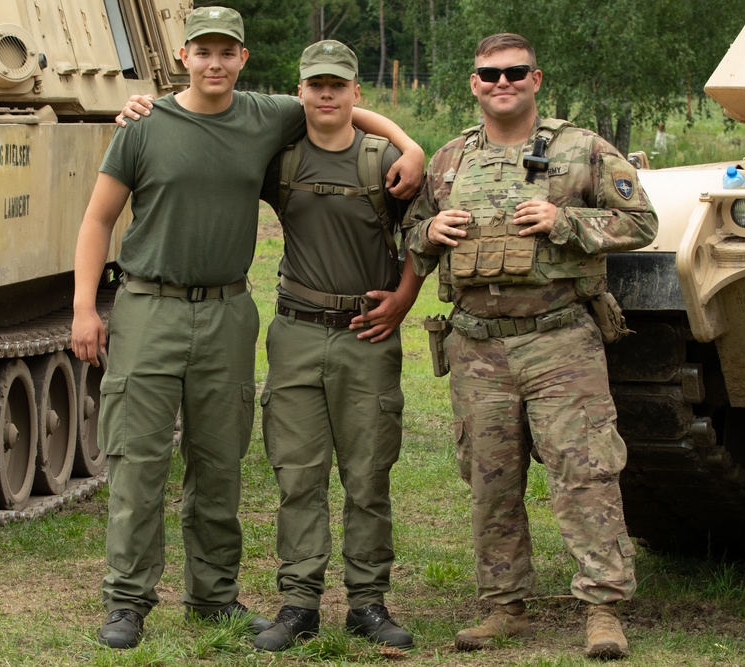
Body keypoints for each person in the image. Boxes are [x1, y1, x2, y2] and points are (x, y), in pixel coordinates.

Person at [71, 6, 423, 650]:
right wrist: (84, 307)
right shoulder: (143, 128)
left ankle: (212, 596)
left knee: (219, 460)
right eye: (202, 51)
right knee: (138, 460)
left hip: (230, 311)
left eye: (226, 52)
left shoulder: (267, 115)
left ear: (242, 60)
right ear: (184, 57)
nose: (214, 62)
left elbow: (338, 110)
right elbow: (98, 220)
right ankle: (127, 601)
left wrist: (410, 145)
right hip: (149, 304)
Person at [403, 33, 658, 660]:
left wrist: (566, 222)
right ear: (474, 83)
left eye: (515, 73)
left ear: (536, 80)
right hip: (476, 345)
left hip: (559, 339)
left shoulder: (583, 150)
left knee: (585, 472)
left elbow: (642, 222)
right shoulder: (450, 160)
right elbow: (407, 235)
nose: (502, 83)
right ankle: (502, 607)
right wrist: (430, 229)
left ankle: (601, 608)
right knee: (490, 479)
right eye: (490, 75)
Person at [250, 40, 424, 653]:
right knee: (297, 476)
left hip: (365, 337)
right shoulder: (280, 158)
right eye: (316, 85)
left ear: (356, 92)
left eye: (338, 85)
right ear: (300, 93)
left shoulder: (387, 165)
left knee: (367, 475)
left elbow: (425, 239)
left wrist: (404, 297)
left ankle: (368, 603)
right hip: (295, 334)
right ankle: (298, 603)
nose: (327, 94)